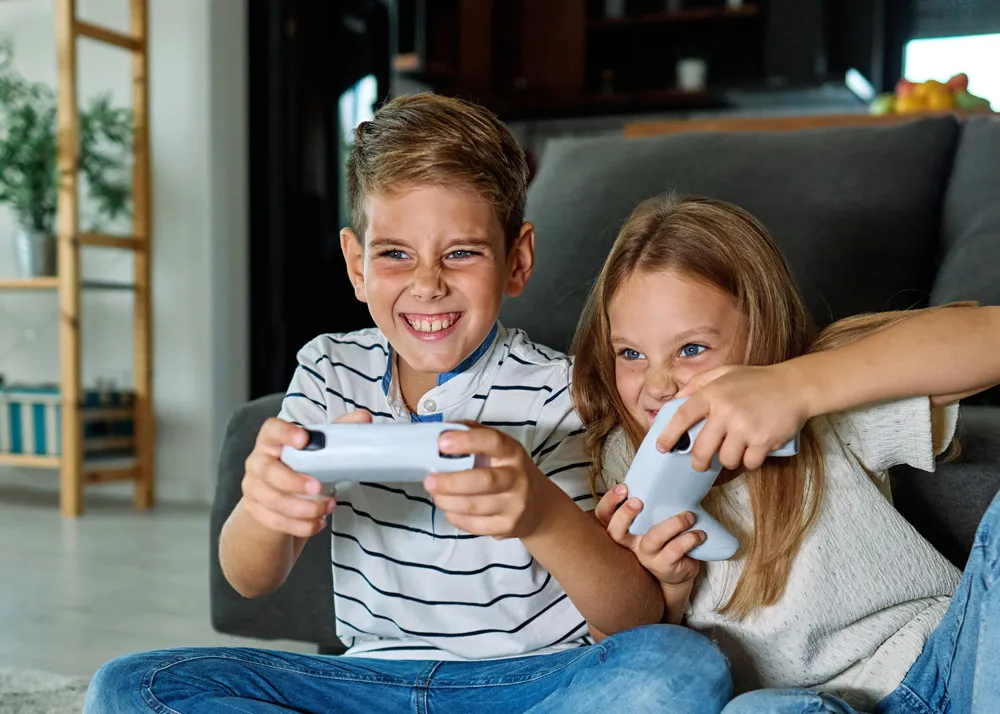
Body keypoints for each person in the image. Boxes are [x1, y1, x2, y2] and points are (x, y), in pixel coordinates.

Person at [83, 97, 732, 714]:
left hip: (529, 683)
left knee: (676, 665)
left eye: (461, 253)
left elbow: (633, 619)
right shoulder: (330, 370)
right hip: (366, 681)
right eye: (395, 254)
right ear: (356, 264)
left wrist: (537, 511)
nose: (428, 283)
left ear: (517, 260)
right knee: (133, 686)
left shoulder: (565, 389)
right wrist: (263, 507)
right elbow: (250, 579)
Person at [571, 194, 1000, 713]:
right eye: (631, 354)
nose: (658, 386)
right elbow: (628, 664)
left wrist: (795, 387)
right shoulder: (620, 459)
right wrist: (670, 588)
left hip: (944, 664)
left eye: (691, 349)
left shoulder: (820, 401)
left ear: (762, 331)